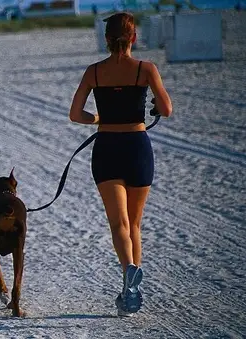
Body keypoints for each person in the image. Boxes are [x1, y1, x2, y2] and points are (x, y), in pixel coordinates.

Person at [68, 12, 172, 317]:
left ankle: (128, 270)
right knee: (135, 224)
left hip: (107, 149)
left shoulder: (94, 72)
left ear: (106, 40)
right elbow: (165, 109)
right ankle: (131, 289)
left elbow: (76, 114)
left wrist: (98, 118)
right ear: (134, 38)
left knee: (119, 224)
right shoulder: (146, 69)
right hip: (138, 148)